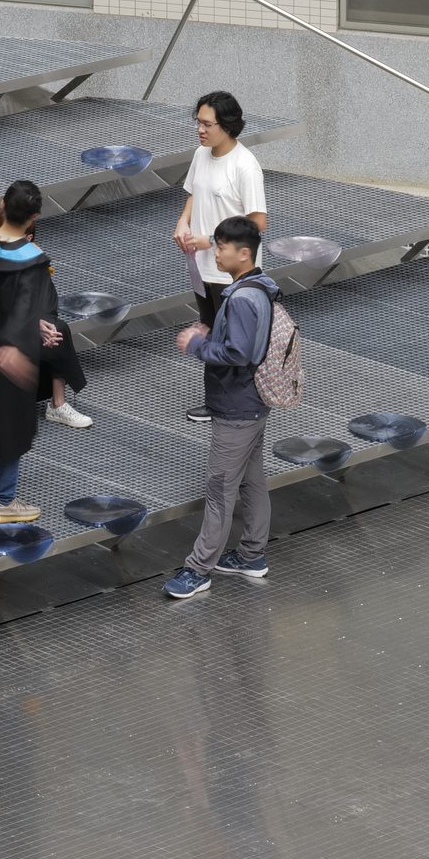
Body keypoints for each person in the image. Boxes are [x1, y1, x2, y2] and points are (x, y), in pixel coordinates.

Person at [164, 214, 280, 600]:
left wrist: (198, 345)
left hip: (236, 408)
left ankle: (199, 569)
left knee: (219, 490)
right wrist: (213, 334)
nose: (216, 252)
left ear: (244, 254)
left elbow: (238, 354)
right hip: (253, 404)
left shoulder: (243, 298)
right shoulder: (258, 288)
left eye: (222, 247)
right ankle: (251, 555)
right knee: (252, 481)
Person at [0, 179, 78, 523]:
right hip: (10, 357)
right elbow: (23, 305)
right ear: (34, 217)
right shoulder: (31, 260)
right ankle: (6, 501)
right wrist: (21, 337)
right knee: (11, 426)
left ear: (1, 204)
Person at [173, 90, 268, 424]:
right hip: (202, 266)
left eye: (207, 124)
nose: (199, 129)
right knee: (212, 332)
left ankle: (231, 405)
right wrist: (183, 222)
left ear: (227, 126)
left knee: (230, 339)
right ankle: (216, 402)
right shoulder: (201, 154)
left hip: (232, 272)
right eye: (198, 122)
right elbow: (193, 194)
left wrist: (211, 240)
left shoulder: (245, 166)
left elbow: (258, 222)